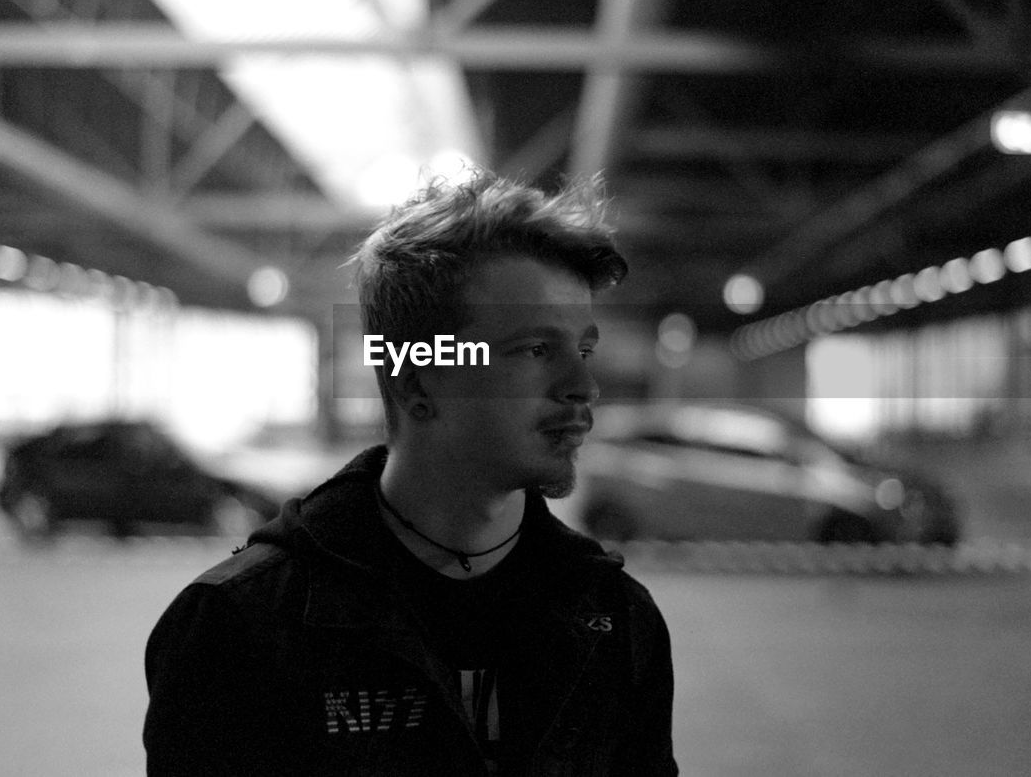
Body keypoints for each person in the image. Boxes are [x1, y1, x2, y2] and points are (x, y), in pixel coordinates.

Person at [143, 171, 677, 776]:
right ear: (416, 377)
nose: (584, 387)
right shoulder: (240, 630)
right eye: (534, 351)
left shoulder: (614, 622)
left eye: (582, 349)